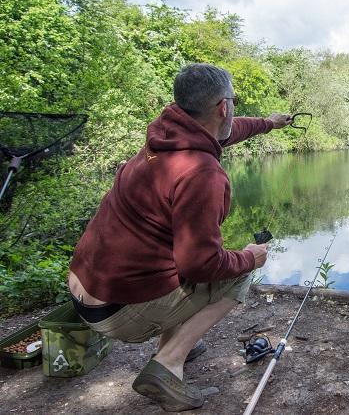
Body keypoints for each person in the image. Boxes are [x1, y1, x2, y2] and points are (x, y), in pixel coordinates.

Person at [67, 63, 291, 411]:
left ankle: (174, 344)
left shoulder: (165, 137)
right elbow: (201, 265)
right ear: (223, 107)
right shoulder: (202, 173)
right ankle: (167, 363)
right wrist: (251, 257)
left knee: (182, 253)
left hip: (85, 289)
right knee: (237, 273)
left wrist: (269, 124)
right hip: (114, 310)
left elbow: (226, 133)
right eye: (233, 101)